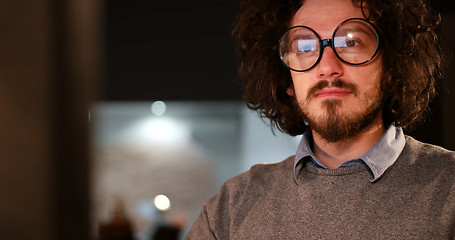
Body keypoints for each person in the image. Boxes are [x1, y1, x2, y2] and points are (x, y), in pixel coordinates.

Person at [186, 0, 455, 238]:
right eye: (305, 47)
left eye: (351, 42)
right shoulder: (231, 207)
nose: (327, 68)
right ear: (286, 79)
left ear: (392, 67)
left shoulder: (449, 187)